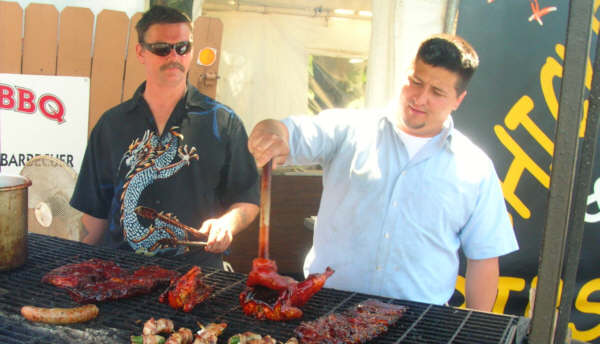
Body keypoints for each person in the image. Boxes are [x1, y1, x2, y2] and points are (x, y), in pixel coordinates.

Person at [248, 34, 518, 311]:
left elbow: (484, 258)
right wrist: (272, 131)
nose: (420, 98)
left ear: (458, 99)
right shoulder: (349, 130)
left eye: (437, 93)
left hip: (421, 322)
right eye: (416, 81)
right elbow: (294, 132)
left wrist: (477, 329)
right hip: (327, 307)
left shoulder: (474, 167)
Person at [71, 5, 259, 269]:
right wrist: (77, 265)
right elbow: (94, 214)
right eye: (162, 49)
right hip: (121, 271)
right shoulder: (111, 125)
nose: (174, 56)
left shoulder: (223, 122)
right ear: (141, 52)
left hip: (198, 273)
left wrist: (227, 224)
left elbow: (248, 198)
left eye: (182, 48)